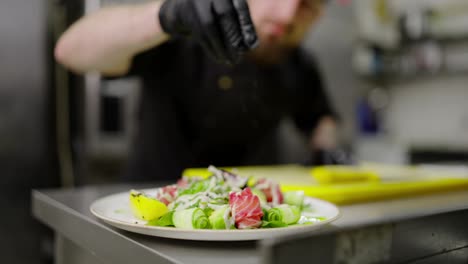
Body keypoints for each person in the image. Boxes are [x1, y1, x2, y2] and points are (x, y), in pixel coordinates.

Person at [55, 0, 339, 182]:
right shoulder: (182, 38)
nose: (287, 14)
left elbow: (319, 118)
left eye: (307, 6)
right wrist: (166, 15)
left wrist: (326, 151)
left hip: (250, 216)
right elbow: (70, 50)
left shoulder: (298, 64)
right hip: (155, 210)